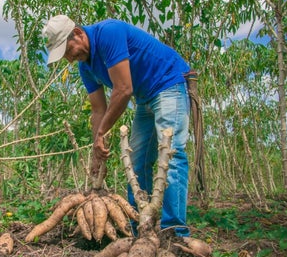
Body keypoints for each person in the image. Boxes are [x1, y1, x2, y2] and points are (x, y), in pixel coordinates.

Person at [43, 15, 191, 237]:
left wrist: (103, 131)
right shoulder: (86, 68)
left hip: (168, 83)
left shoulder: (108, 33)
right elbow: (98, 110)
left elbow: (123, 89)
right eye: (65, 57)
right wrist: (96, 148)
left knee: (171, 156)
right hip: (145, 99)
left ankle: (175, 232)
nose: (70, 59)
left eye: (68, 50)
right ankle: (140, 227)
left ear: (77, 33)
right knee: (137, 162)